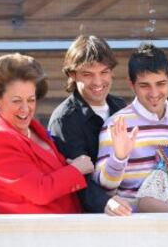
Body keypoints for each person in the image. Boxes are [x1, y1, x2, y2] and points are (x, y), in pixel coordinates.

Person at [0, 53, 93, 214]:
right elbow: (39, 191)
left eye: (31, 100)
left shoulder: (30, 128)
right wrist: (75, 169)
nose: (25, 109)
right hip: (34, 234)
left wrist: (65, 165)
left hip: (62, 229)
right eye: (17, 101)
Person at [94, 43, 168, 212]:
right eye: (144, 85)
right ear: (132, 84)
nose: (154, 93)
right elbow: (105, 188)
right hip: (134, 223)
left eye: (160, 83)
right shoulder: (116, 125)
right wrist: (119, 157)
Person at [48, 35, 132, 215]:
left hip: (129, 207)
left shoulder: (121, 107)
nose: (98, 82)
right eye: (88, 74)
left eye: (104, 72)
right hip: (90, 218)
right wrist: (105, 202)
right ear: (72, 74)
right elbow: (75, 178)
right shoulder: (63, 120)